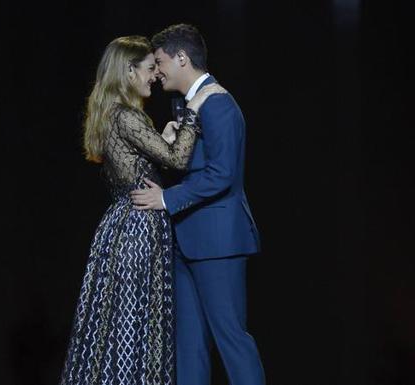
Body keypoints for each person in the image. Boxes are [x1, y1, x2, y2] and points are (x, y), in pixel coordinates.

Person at [58, 35, 225, 385]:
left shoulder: (117, 115)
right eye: (149, 69)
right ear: (129, 71)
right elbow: (178, 160)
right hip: (138, 228)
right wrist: (194, 110)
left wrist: (163, 137)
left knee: (124, 324)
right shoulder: (127, 116)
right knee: (135, 325)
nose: (154, 77)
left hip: (127, 224)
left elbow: (141, 161)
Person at [130, 24, 266, 385]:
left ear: (182, 58)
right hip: (186, 239)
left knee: (231, 340)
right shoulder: (190, 106)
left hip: (218, 241)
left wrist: (165, 198)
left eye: (159, 63)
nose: (156, 72)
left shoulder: (218, 103)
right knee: (189, 347)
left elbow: (222, 174)